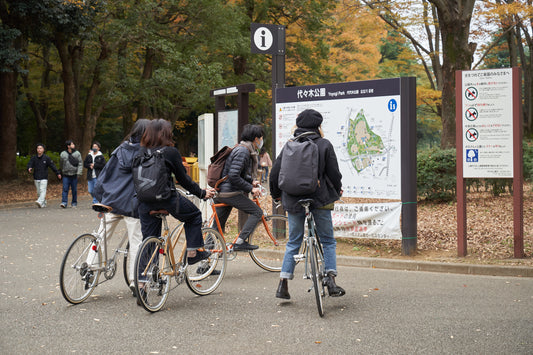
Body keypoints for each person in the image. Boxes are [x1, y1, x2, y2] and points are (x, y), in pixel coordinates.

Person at [270, 109, 345, 299]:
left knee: (293, 241)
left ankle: (283, 284)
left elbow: (274, 174)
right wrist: (337, 189)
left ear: (298, 126)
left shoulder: (289, 146)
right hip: (319, 198)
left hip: (293, 199)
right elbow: (334, 173)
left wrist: (277, 195)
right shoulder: (324, 145)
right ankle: (330, 278)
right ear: (318, 126)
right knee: (327, 240)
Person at [137, 119, 216, 266]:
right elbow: (184, 180)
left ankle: (142, 281)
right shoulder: (170, 152)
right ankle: (193, 253)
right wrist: (201, 193)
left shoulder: (139, 152)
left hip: (144, 201)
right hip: (166, 199)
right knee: (193, 216)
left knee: (148, 240)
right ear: (165, 134)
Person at [92, 119, 150, 295]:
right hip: (132, 205)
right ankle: (136, 282)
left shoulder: (119, 150)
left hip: (110, 202)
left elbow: (105, 175)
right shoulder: (146, 153)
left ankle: (89, 269)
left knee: (101, 237)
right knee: (136, 242)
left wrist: (100, 197)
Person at [213, 124, 265, 251]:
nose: (262, 141)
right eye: (261, 138)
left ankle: (205, 264)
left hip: (222, 191)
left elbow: (239, 173)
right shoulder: (243, 151)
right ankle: (240, 242)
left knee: (216, 228)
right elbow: (233, 176)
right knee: (257, 212)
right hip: (229, 192)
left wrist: (251, 181)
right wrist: (251, 189)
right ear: (256, 139)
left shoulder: (242, 148)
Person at [27, 143, 61, 208]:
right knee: (39, 192)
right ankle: (43, 202)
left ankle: (40, 201)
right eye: (38, 148)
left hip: (44, 177)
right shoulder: (34, 158)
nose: (39, 150)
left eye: (40, 148)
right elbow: (30, 164)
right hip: (36, 177)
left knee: (43, 190)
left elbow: (52, 166)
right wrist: (29, 168)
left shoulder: (46, 158)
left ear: (43, 149)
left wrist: (58, 173)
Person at [59, 140, 83, 208]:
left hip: (74, 174)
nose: (73, 145)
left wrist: (79, 173)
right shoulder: (63, 154)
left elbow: (80, 163)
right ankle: (64, 202)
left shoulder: (77, 153)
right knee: (65, 189)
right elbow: (61, 163)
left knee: (74, 189)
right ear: (68, 146)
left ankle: (74, 202)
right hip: (66, 175)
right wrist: (62, 171)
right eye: (72, 144)